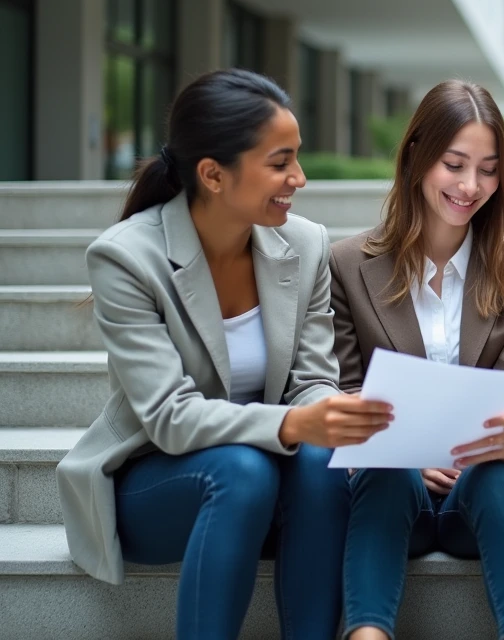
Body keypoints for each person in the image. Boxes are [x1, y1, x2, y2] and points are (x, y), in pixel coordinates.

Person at [56, 70, 393, 639]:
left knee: (316, 459)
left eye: (298, 159)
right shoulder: (127, 259)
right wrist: (292, 421)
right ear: (213, 174)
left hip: (271, 482)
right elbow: (169, 416)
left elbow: (313, 378)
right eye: (280, 162)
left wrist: (331, 413)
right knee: (243, 470)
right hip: (157, 482)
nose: (300, 178)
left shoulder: (304, 244)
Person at [332, 81, 504, 640]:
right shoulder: (348, 264)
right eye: (454, 164)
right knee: (385, 472)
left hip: (482, 491)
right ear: (416, 159)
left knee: (498, 477)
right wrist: (403, 448)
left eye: (488, 169)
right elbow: (346, 391)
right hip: (388, 492)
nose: (470, 185)